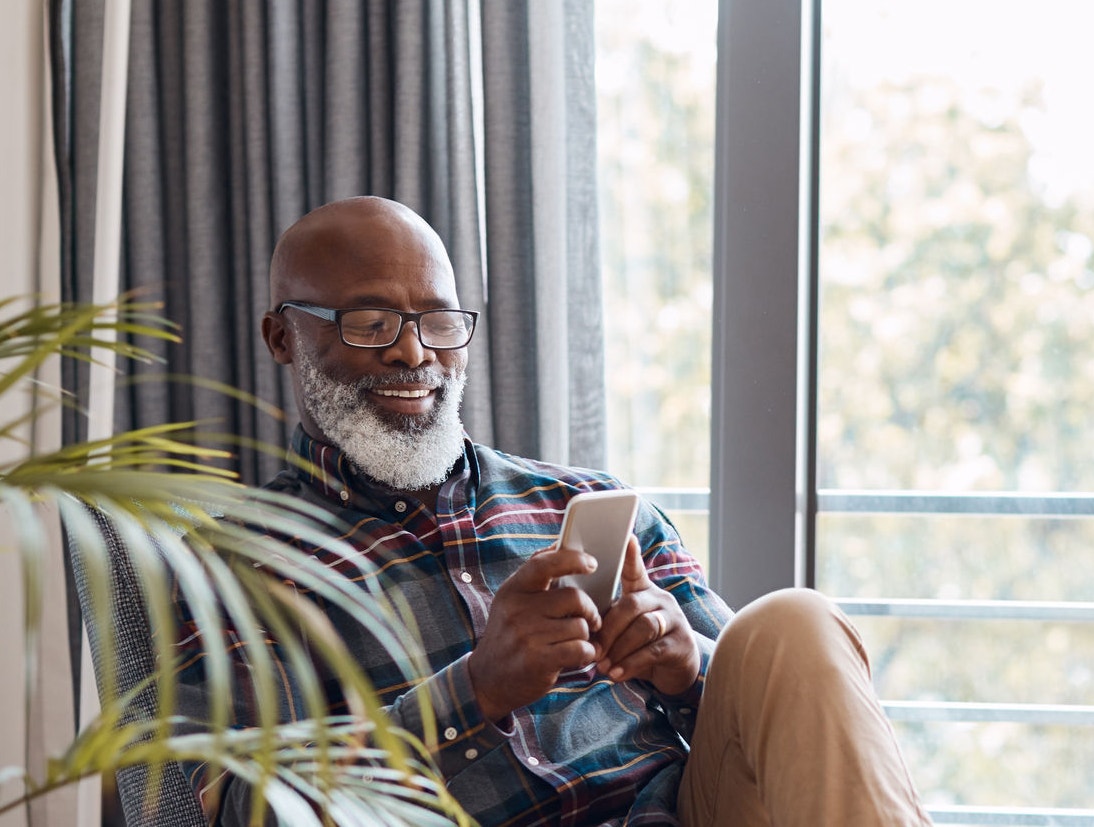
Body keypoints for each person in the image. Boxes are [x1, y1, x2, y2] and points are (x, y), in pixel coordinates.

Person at [179, 195, 933, 826]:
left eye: (439, 322)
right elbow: (226, 803)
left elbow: (766, 724)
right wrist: (473, 689)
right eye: (370, 323)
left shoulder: (585, 504)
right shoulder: (232, 565)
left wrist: (685, 664)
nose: (415, 354)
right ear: (283, 336)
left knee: (791, 624)